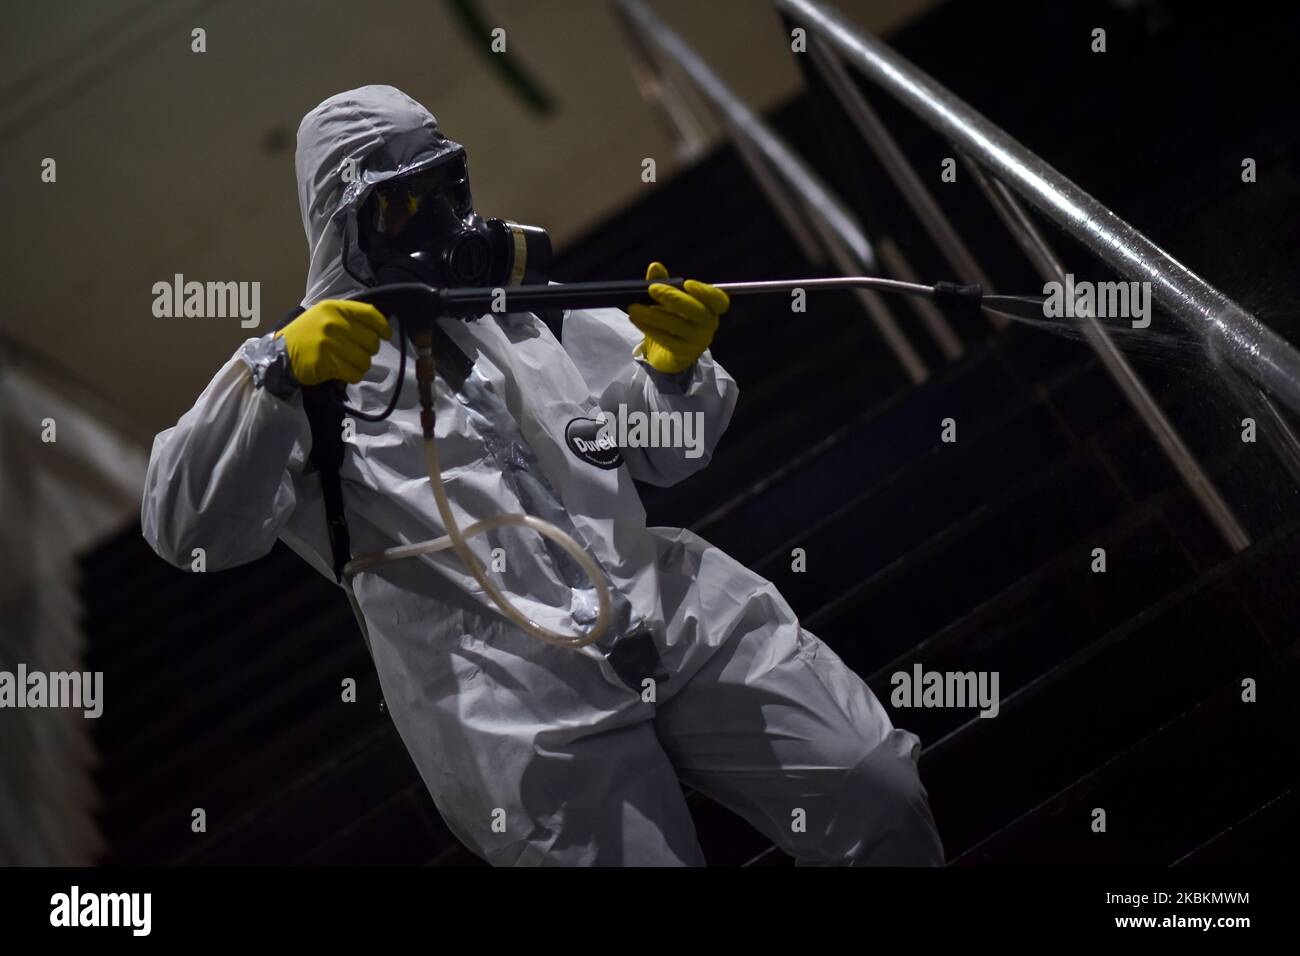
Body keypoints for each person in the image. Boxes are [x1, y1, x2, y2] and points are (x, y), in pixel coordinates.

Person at [141, 85, 944, 866]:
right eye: (398, 203)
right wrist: (275, 375)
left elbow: (667, 452)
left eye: (443, 187)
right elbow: (186, 530)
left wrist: (670, 374)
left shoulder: (519, 302)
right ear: (339, 223)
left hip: (674, 618)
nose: (433, 219)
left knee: (874, 790)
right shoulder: (310, 366)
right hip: (519, 708)